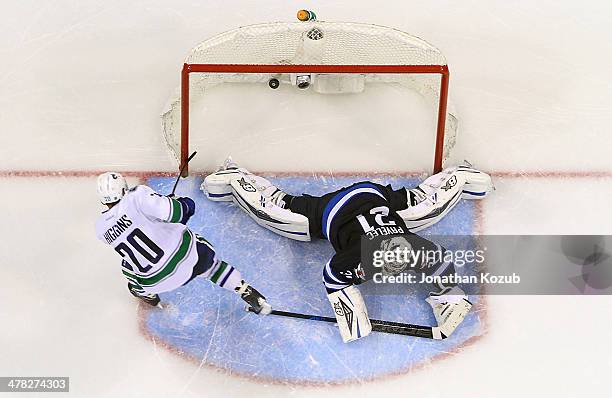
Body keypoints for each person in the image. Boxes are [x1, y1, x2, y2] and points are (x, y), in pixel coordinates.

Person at [201, 159, 493, 342]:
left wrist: (452, 300)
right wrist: (352, 313)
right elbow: (331, 275)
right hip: (332, 209)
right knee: (281, 211)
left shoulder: (411, 250)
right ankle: (236, 179)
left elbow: (438, 261)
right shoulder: (368, 256)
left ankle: (460, 177)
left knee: (422, 206)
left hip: (374, 197)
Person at [94, 172, 271, 315]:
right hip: (189, 259)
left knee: (127, 265)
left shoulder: (101, 228)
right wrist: (179, 202)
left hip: (156, 282)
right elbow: (180, 213)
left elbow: (133, 226)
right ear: (124, 189)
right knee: (210, 265)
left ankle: (148, 296)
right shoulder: (137, 196)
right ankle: (243, 289)